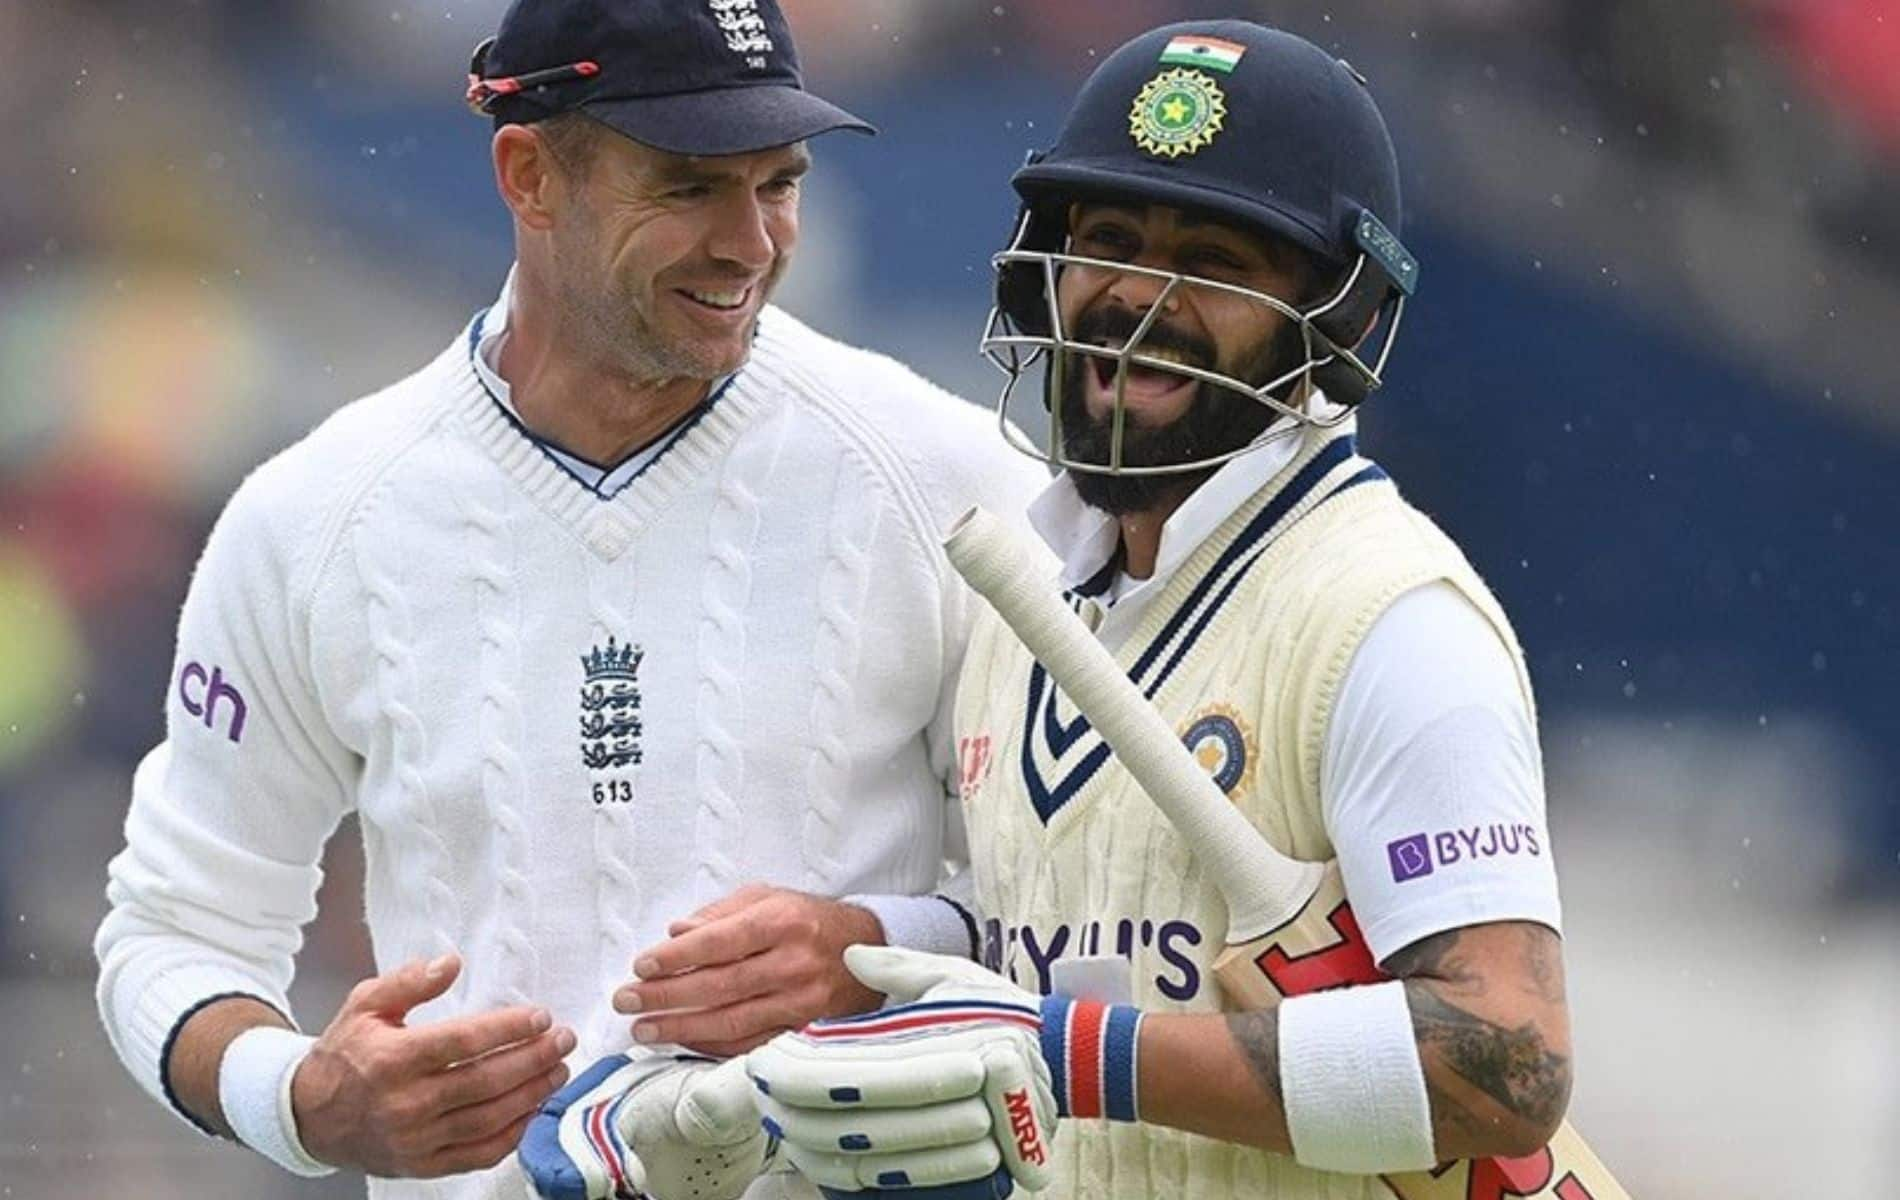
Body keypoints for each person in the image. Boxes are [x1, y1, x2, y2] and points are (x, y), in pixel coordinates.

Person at [90, 1, 1046, 1197]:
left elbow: (1102, 906)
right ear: (528, 173)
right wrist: (303, 1100)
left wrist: (883, 950)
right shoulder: (313, 519)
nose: (750, 243)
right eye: (690, 187)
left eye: (779, 183)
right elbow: (173, 933)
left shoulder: (951, 481)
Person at [743, 21, 1573, 1200]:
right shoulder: (1022, 592)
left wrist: (1072, 1055)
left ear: (1332, 318)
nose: (1139, 297)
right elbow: (1070, 936)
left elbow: (1506, 1069)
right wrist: (866, 957)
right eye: (1112, 240)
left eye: (1218, 261)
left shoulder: (1389, 617)